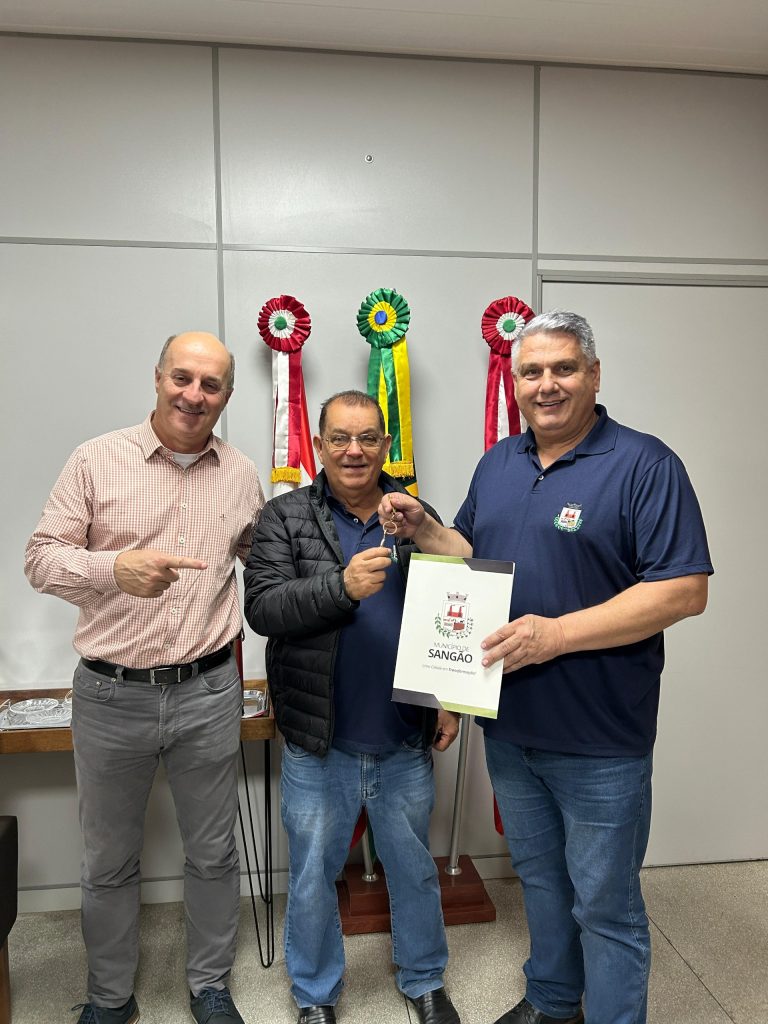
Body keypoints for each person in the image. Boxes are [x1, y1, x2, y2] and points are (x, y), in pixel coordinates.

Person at [378, 311, 713, 1024]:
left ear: (594, 375)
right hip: (511, 726)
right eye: (531, 371)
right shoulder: (498, 462)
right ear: (516, 382)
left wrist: (556, 635)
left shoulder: (646, 465)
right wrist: (425, 528)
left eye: (564, 368)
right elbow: (471, 553)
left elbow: (684, 589)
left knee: (606, 905)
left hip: (601, 738)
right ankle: (554, 1001)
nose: (546, 384)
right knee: (540, 881)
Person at [25, 332, 265, 1024]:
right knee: (107, 860)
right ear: (158, 377)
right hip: (110, 695)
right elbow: (40, 559)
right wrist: (113, 568)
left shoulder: (240, 473)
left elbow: (263, 560)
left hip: (208, 691)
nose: (194, 395)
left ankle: (210, 987)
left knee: (213, 852)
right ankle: (110, 998)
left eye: (211, 384)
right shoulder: (95, 459)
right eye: (182, 378)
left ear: (226, 395)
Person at [243, 390, 462, 1024]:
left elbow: (455, 602)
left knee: (413, 868)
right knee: (313, 874)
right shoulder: (284, 516)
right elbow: (263, 608)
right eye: (339, 438)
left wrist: (449, 700)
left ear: (386, 446)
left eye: (368, 438)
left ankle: (424, 979)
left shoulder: (415, 516)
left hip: (403, 735)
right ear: (319, 445)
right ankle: (315, 994)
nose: (354, 450)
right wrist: (339, 587)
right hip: (321, 741)